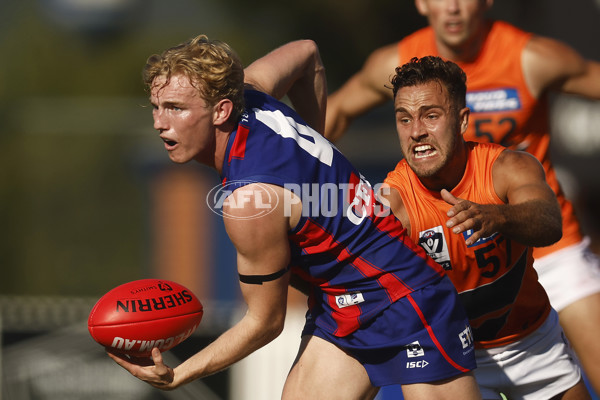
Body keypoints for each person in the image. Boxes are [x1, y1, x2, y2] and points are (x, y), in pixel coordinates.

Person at [105, 35, 482, 399]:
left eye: (175, 108)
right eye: (156, 107)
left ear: (221, 110)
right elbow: (306, 52)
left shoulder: (250, 201)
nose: (159, 122)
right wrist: (315, 142)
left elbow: (265, 323)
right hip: (341, 307)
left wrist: (178, 374)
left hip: (406, 300)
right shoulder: (252, 92)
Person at [325, 0, 600, 394]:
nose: (452, 9)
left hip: (543, 241)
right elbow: (333, 116)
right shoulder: (397, 67)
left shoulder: (530, 58)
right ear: (421, 4)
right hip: (454, 252)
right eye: (407, 119)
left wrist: (498, 216)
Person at [379, 55, 591, 399]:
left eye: (431, 116)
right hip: (451, 356)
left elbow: (550, 223)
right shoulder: (392, 201)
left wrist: (496, 217)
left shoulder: (508, 166)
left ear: (462, 120)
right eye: (404, 119)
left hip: (534, 342)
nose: (416, 131)